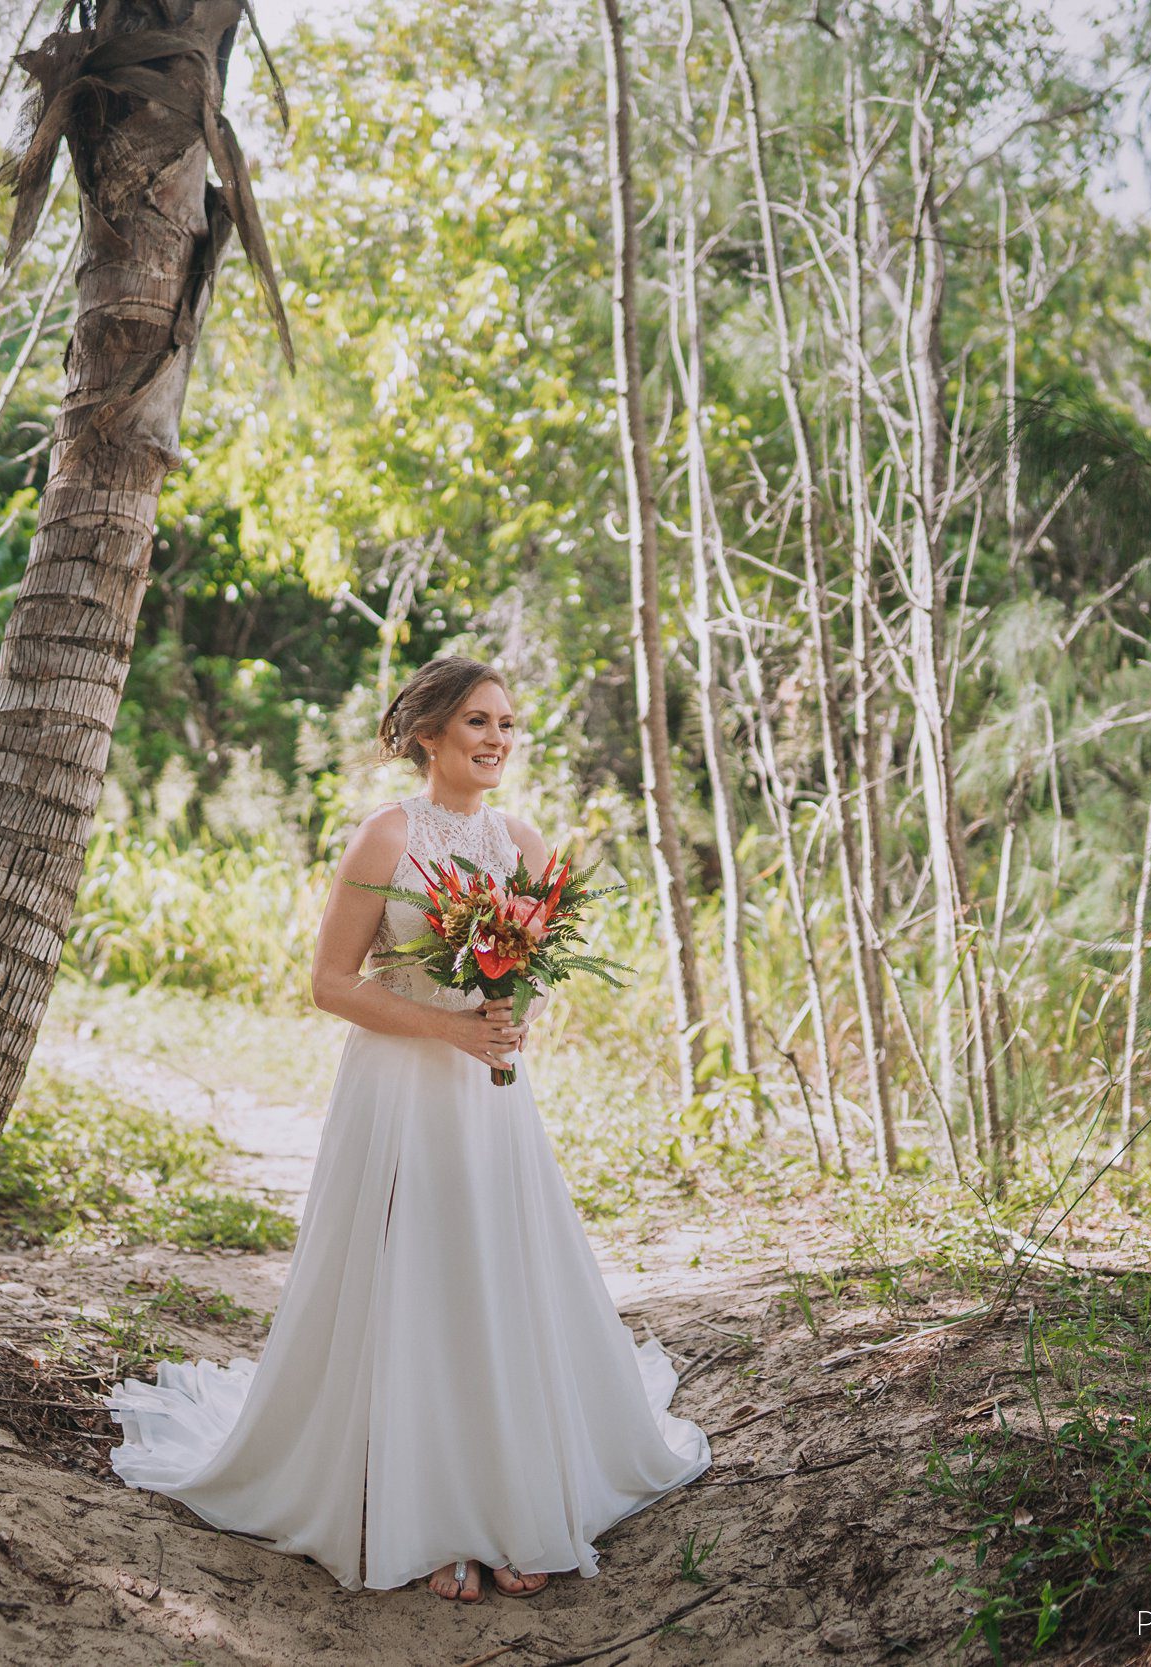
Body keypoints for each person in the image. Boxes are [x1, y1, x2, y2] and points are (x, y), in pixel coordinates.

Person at [103, 653, 710, 1601]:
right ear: (428, 733)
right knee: (413, 1275)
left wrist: (509, 1021)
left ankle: (512, 1499)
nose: (497, 740)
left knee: (490, 1276)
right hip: (401, 1086)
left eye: (507, 723)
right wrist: (451, 1028)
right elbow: (330, 982)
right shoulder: (386, 837)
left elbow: (541, 971)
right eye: (477, 722)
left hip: (490, 1093)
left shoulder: (523, 840)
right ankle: (425, 1512)